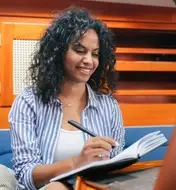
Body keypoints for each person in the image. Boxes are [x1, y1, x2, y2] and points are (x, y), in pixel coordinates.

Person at [8, 6, 125, 190]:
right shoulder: (28, 102)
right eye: (79, 50)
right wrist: (77, 162)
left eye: (95, 54)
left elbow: (116, 169)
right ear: (58, 53)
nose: (89, 60)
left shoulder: (109, 107)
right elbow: (26, 175)